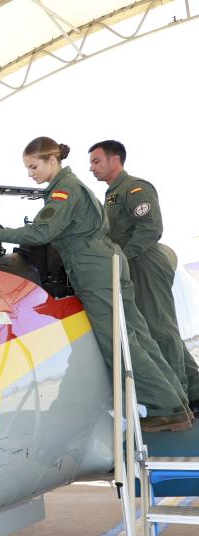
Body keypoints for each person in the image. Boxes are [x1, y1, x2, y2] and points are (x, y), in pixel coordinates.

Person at [0, 137, 192, 431]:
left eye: (34, 166)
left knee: (119, 342)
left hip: (93, 270)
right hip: (108, 264)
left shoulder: (64, 190)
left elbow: (43, 231)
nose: (30, 173)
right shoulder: (75, 186)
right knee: (137, 336)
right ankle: (177, 404)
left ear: (52, 160)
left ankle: (165, 409)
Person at [89, 140, 199, 416]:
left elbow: (150, 228)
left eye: (96, 161)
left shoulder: (135, 188)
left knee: (160, 328)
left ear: (115, 160)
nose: (92, 168)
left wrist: (123, 257)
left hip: (145, 261)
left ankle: (178, 399)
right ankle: (195, 390)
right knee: (155, 329)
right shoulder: (112, 195)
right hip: (132, 264)